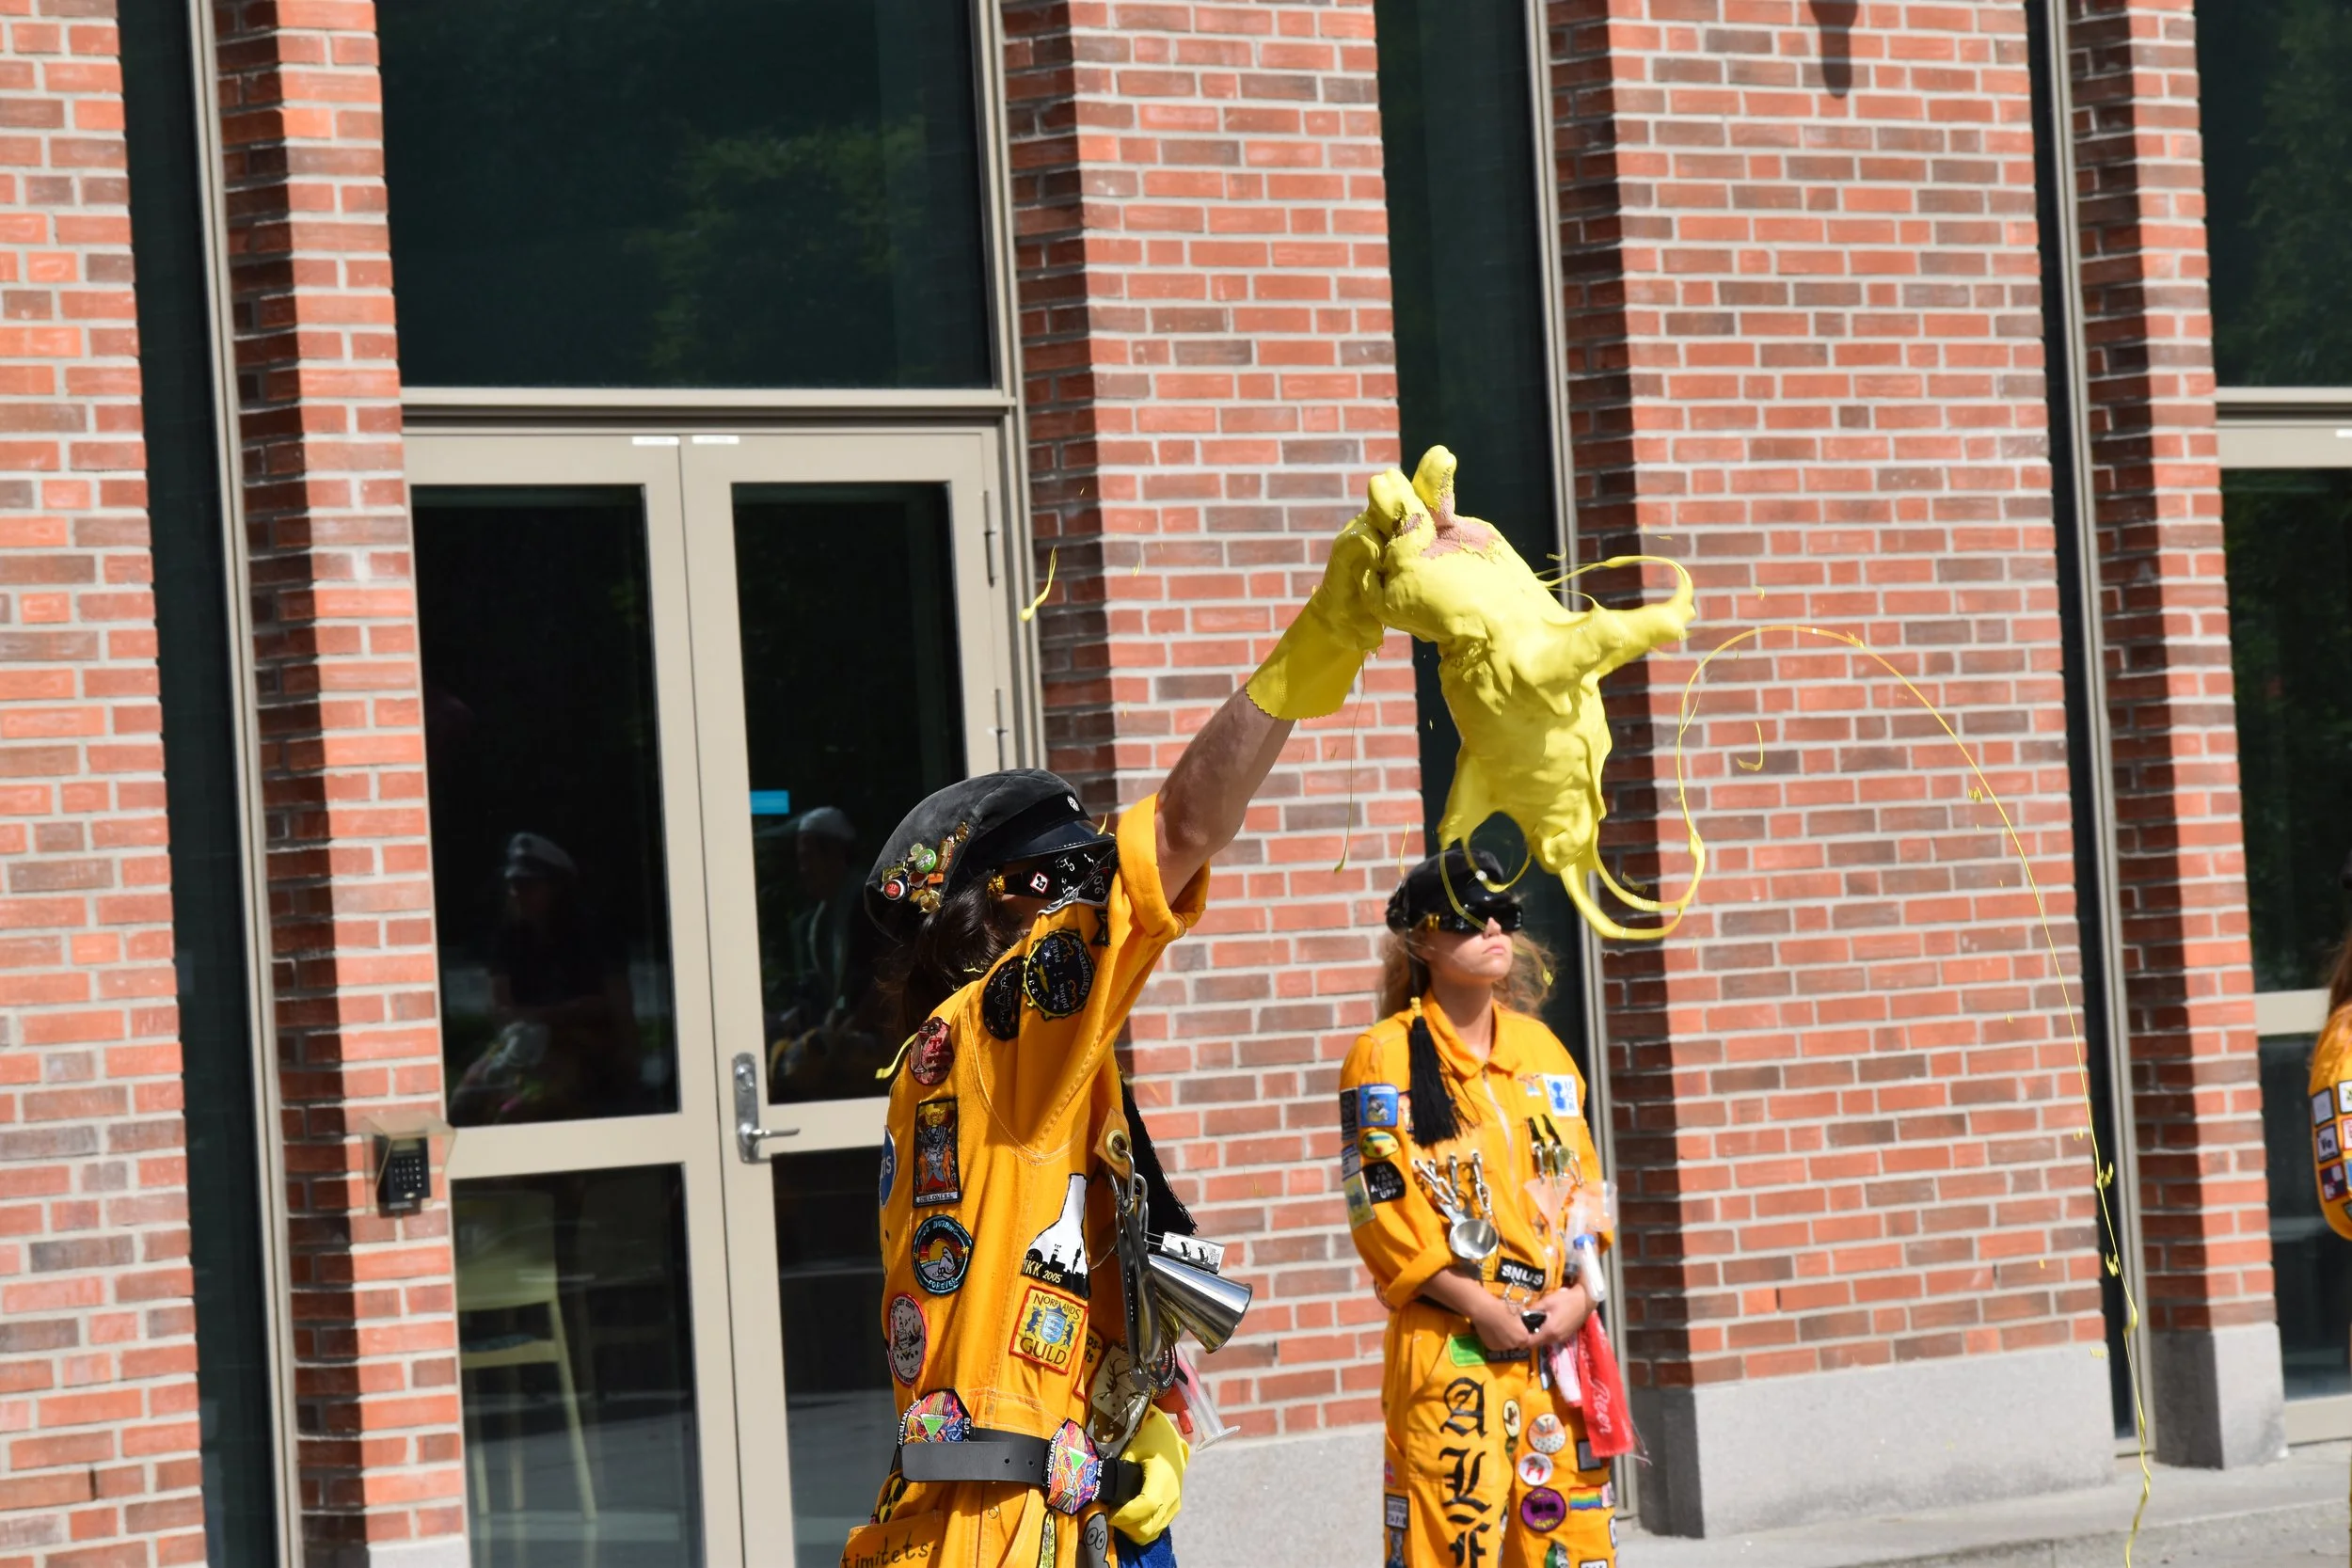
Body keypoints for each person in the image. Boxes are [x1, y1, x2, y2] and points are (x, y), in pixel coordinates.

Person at [841, 500, 1388, 1568]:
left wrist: (1147, 1426)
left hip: (1070, 1496)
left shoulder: (1021, 1064)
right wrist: (1321, 639)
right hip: (1012, 1527)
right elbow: (1180, 828)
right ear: (998, 906)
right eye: (1068, 878)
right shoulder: (990, 1036)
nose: (1092, 901)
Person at [1342, 847, 1620, 1568]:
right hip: (1453, 1346)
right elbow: (1378, 1207)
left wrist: (1582, 1294)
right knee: (1450, 1549)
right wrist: (1478, 1304)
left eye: (1505, 912)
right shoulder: (1384, 1055)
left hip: (1555, 1347)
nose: (1494, 926)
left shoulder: (1542, 1047)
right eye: (1470, 915)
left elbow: (1587, 1188)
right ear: (1422, 939)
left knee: (1569, 1547)